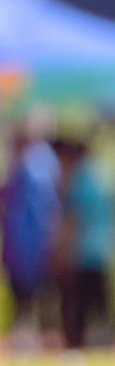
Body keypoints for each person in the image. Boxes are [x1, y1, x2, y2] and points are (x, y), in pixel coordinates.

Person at [0, 130, 62, 352]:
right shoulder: (22, 167)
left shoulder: (35, 167)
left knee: (36, 299)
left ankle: (35, 340)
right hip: (23, 248)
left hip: (31, 247)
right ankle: (27, 340)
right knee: (24, 300)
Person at [60, 139, 113, 351]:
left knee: (79, 306)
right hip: (101, 251)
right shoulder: (102, 176)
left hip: (82, 252)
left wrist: (62, 253)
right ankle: (102, 341)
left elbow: (73, 220)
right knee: (100, 304)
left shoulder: (80, 180)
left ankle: (81, 344)